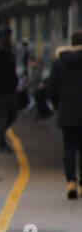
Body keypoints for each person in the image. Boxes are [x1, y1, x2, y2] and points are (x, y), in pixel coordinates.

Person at [45, 31, 82, 199]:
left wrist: (58, 106)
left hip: (67, 113)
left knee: (69, 148)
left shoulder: (59, 63)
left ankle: (70, 183)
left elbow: (51, 89)